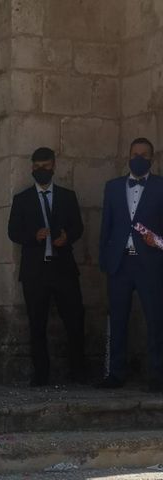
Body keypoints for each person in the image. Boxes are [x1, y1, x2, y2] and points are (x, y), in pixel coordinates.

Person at [7, 147, 86, 387]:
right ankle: (41, 374)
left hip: (63, 268)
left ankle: (79, 372)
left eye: (46, 166)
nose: (41, 170)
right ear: (32, 168)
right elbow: (13, 232)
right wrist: (35, 236)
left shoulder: (67, 196)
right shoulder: (22, 199)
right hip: (35, 271)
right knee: (37, 323)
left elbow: (78, 227)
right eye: (37, 167)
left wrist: (66, 237)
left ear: (54, 166)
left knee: (75, 320)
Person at [98, 137, 163, 393]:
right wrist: (105, 258)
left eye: (144, 154)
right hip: (120, 264)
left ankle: (157, 376)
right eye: (134, 153)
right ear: (127, 156)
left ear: (152, 159)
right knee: (118, 321)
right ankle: (116, 373)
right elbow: (107, 225)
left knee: (156, 321)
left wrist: (156, 240)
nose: (138, 158)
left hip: (150, 264)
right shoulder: (112, 187)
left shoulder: (160, 187)